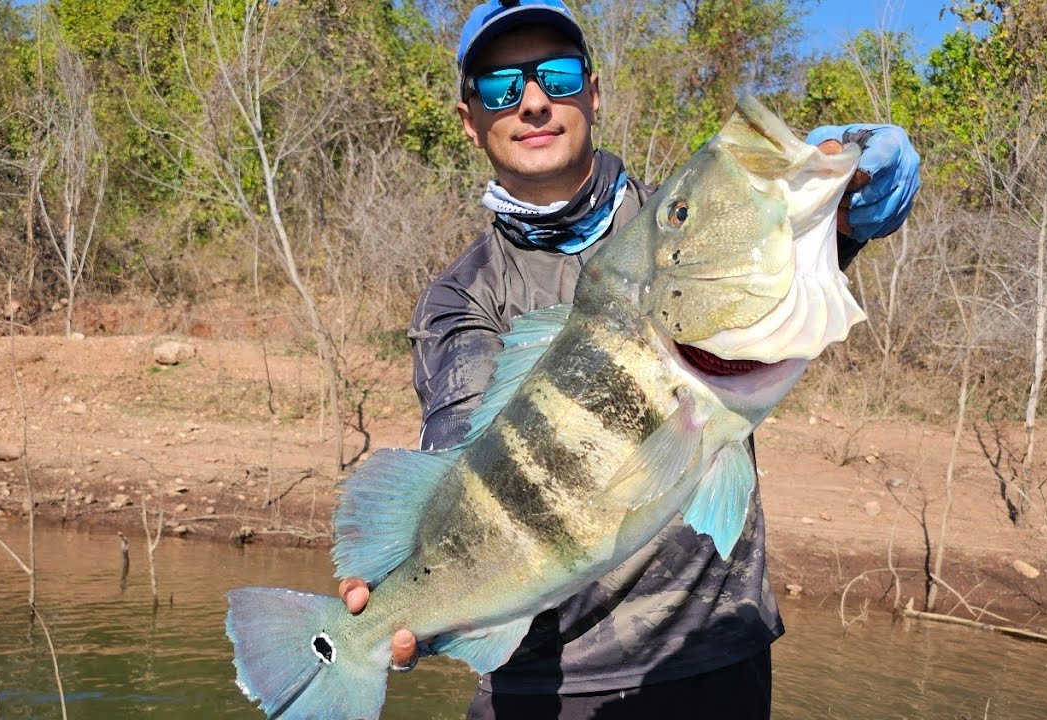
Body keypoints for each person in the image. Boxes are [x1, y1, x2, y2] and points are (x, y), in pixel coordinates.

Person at [339, 1, 921, 717]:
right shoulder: (461, 297)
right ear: (470, 119)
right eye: (500, 86)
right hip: (542, 688)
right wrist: (417, 604)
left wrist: (851, 179)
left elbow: (772, 250)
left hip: (715, 663)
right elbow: (466, 462)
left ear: (594, 91)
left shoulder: (673, 217)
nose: (531, 101)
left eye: (555, 74)